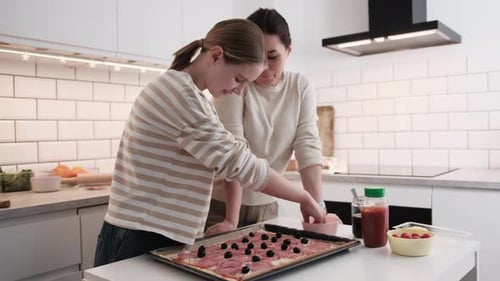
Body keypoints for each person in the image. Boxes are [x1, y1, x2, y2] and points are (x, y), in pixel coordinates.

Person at [93, 18, 326, 267]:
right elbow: (239, 163)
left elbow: (234, 156)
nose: (239, 90)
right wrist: (304, 197)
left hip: (150, 232)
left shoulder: (189, 94)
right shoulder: (181, 96)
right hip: (140, 234)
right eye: (239, 78)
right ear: (216, 56)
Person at [206, 9, 336, 236]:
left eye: (273, 56)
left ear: (289, 50)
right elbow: (234, 152)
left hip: (268, 206)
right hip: (221, 206)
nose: (264, 67)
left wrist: (318, 208)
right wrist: (231, 218)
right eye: (257, 57)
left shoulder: (301, 87)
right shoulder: (234, 84)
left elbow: (307, 145)